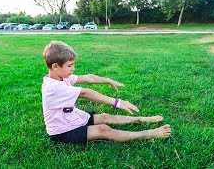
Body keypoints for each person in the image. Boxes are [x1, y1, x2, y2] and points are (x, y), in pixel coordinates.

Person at [41, 41, 171, 144]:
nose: (73, 69)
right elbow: (86, 93)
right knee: (104, 129)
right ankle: (148, 134)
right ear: (55, 66)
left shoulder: (62, 77)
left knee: (105, 116)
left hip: (73, 118)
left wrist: (107, 80)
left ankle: (141, 119)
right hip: (62, 131)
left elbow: (88, 78)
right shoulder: (53, 87)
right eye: (70, 65)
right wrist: (117, 102)